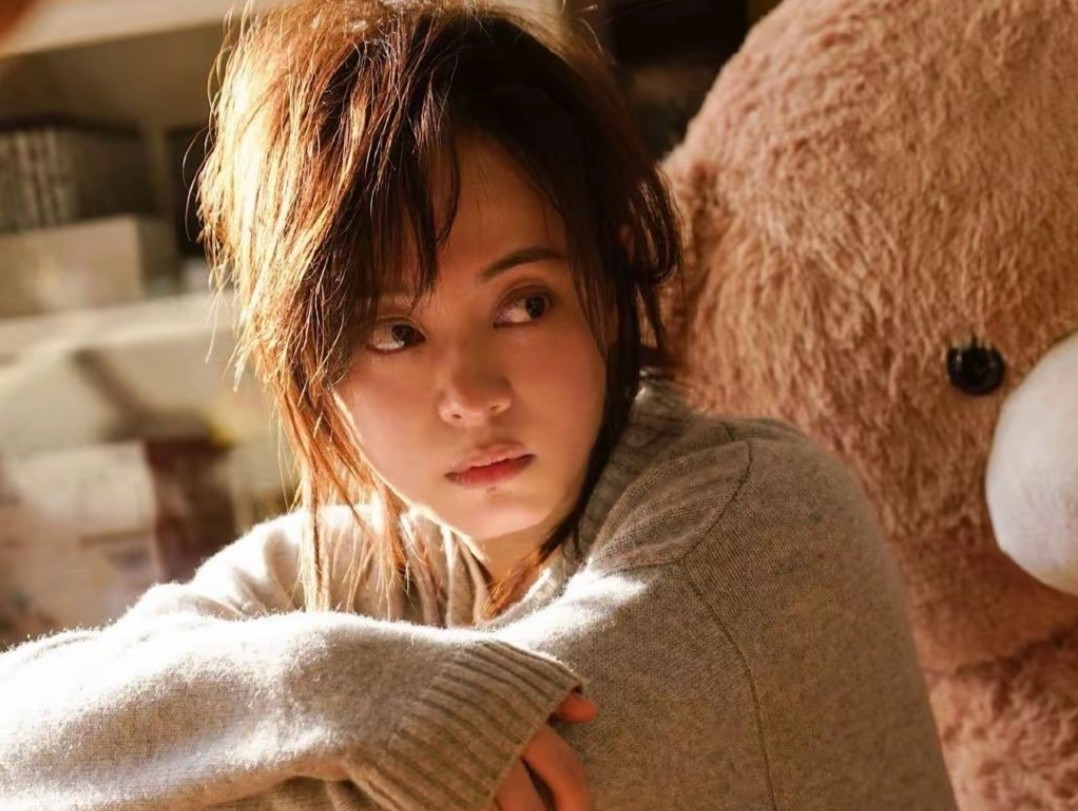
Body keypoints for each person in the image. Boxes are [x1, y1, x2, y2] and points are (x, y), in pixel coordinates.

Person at [0, 0, 959, 809]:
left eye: (524, 304)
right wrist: (323, 682)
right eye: (394, 332)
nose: (472, 395)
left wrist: (224, 727)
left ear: (609, 282)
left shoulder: (758, 519)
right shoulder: (342, 567)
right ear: (315, 363)